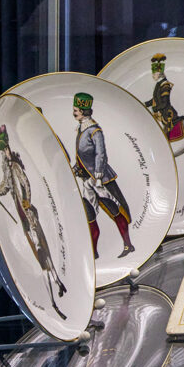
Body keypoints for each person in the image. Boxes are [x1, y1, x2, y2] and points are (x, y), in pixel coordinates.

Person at [0, 124, 69, 319]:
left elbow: (25, 183)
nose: (4, 153)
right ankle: (56, 285)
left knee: (42, 250)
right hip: (21, 212)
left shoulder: (15, 164)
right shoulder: (6, 166)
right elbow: (7, 186)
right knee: (37, 248)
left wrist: (27, 200)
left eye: (5, 149)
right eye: (2, 150)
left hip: (28, 211)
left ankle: (55, 288)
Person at [72, 92, 135, 258]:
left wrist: (98, 176)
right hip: (87, 180)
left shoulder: (94, 131)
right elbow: (82, 157)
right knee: (90, 214)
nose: (74, 112)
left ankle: (128, 245)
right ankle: (93, 253)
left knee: (115, 211)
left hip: (100, 180)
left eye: (76, 110)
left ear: (84, 112)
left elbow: (101, 155)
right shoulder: (80, 128)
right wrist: (77, 169)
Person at [144, 53, 184, 143]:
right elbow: (155, 99)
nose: (153, 76)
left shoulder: (165, 85)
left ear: (159, 74)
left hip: (167, 114)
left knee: (163, 138)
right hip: (161, 113)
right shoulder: (159, 84)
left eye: (154, 74)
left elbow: (164, 103)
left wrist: (154, 108)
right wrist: (144, 104)